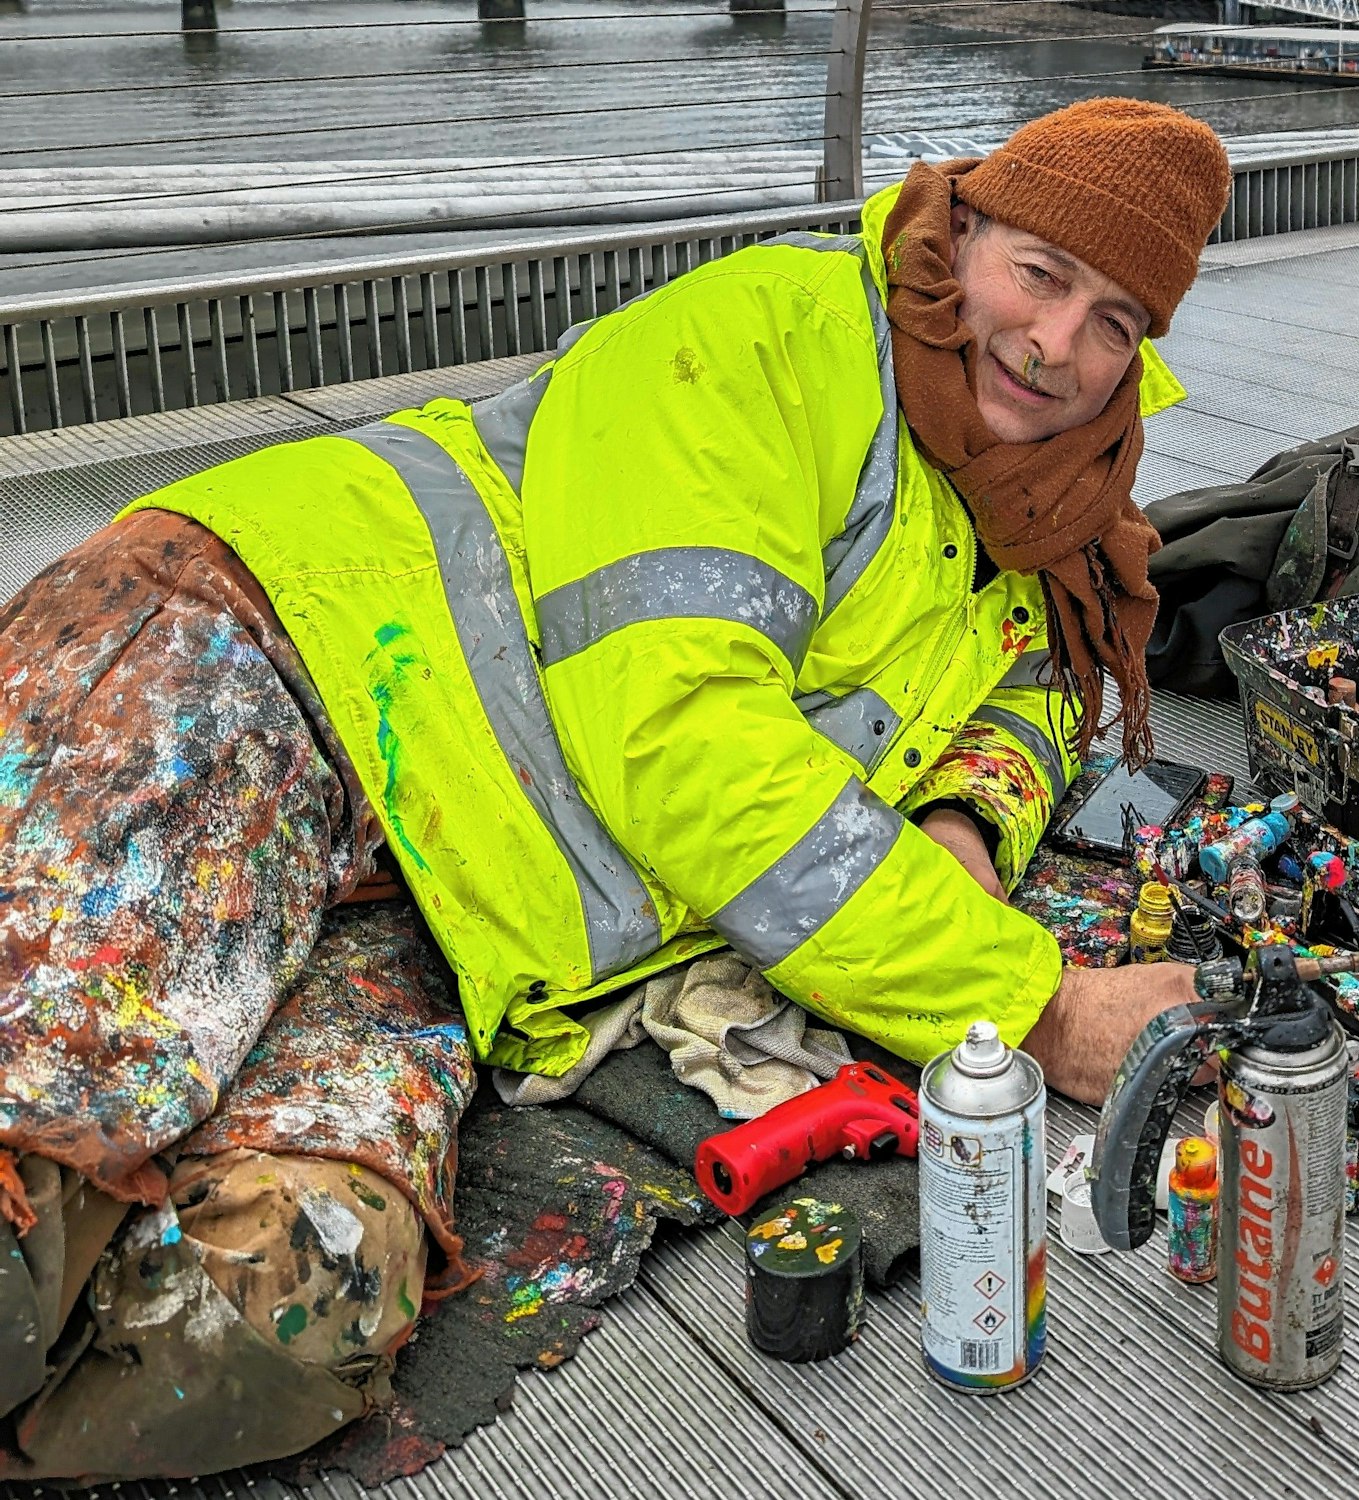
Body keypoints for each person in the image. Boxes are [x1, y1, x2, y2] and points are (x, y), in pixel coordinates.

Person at [0, 97, 1232, 1477]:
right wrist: (1035, 1005)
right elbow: (686, 747)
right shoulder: (779, 337)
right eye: (1041, 274)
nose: (1055, 343)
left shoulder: (1057, 510)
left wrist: (966, 815)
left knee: (273, 1316)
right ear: (956, 236)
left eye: (1116, 319)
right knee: (30, 1174)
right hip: (271, 670)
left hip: (450, 914)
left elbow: (1036, 691)